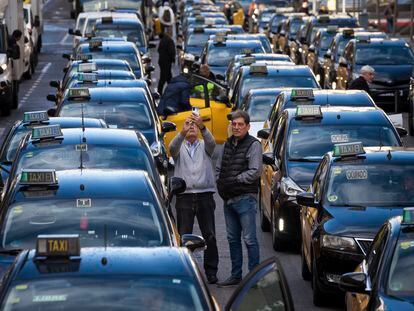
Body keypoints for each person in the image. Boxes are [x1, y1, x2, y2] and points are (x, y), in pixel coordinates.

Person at [169, 114, 219, 284]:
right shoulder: (180, 147)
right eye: (188, 125)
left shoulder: (206, 145)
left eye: (194, 126)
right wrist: (181, 133)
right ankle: (184, 270)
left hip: (205, 194)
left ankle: (211, 270)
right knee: (184, 235)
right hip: (184, 196)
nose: (191, 128)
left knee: (209, 234)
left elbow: (212, 142)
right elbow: (171, 148)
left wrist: (203, 127)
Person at [216, 110, 262, 287]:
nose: (236, 127)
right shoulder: (227, 144)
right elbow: (219, 169)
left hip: (245, 199)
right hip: (229, 200)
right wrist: (221, 184)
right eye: (234, 124)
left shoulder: (254, 145)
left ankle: (254, 278)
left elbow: (255, 171)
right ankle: (236, 275)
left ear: (248, 126)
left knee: (250, 239)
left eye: (240, 124)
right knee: (232, 239)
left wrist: (235, 180)